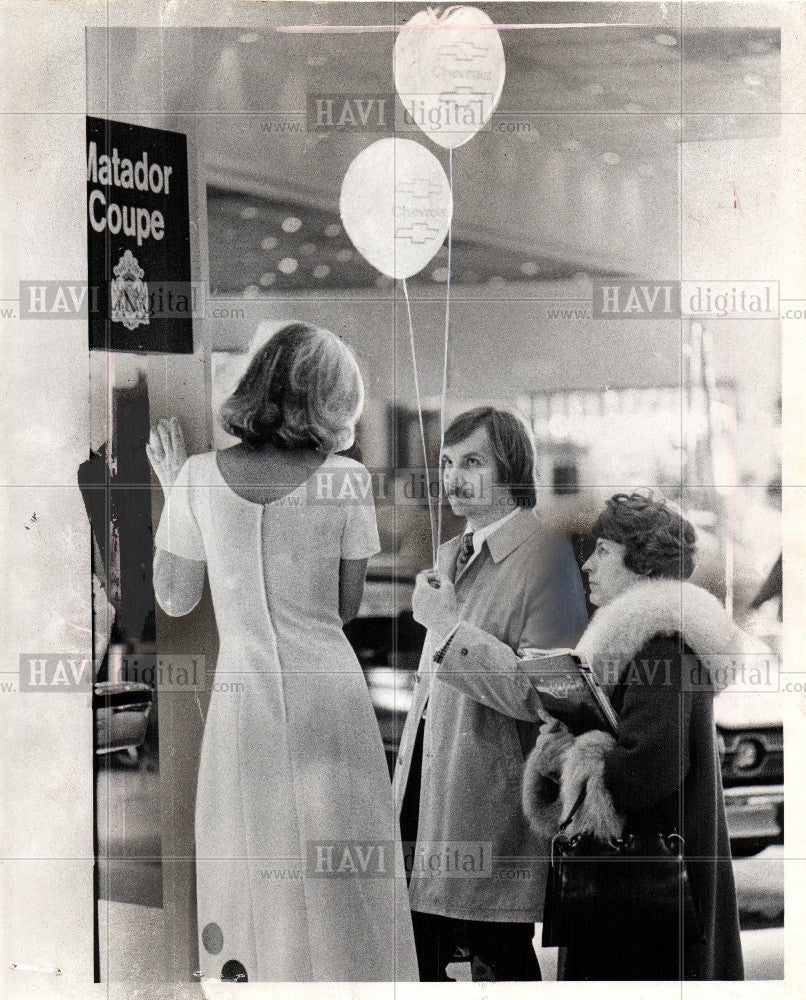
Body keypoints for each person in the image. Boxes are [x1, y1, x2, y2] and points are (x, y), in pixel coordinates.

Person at [147, 321, 419, 983]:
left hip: (244, 698)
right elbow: (345, 607)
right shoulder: (346, 480)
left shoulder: (198, 476)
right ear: (331, 399)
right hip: (329, 690)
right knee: (345, 863)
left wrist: (171, 492)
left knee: (247, 854)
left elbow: (175, 597)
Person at [435, 492, 744, 980]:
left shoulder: (662, 646)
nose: (588, 565)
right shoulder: (643, 642)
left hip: (651, 893)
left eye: (603, 551)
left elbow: (649, 769)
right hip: (645, 885)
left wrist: (578, 753)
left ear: (642, 562)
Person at [398, 407, 588, 981]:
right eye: (448, 463)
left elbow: (547, 698)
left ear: (511, 468)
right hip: (429, 798)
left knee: (498, 964)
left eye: (473, 463)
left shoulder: (546, 555)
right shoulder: (453, 552)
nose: (454, 479)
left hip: (491, 815)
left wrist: (451, 631)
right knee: (421, 965)